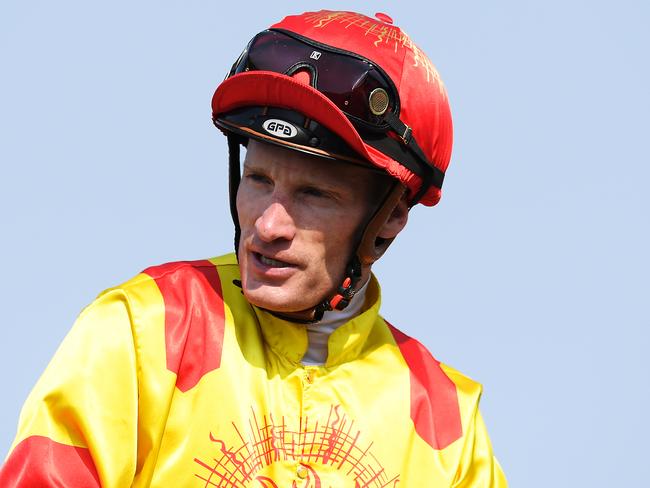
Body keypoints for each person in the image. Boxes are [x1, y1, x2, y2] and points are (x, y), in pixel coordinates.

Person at [1, 9, 507, 487]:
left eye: (313, 195)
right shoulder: (142, 331)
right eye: (258, 179)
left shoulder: (449, 421)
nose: (267, 225)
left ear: (393, 215)